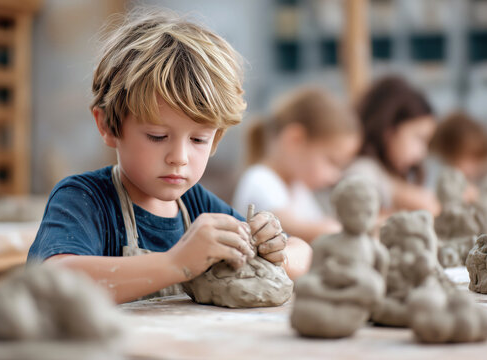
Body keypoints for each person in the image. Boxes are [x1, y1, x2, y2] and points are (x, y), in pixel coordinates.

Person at [27, 10, 312, 304]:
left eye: (199, 139)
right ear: (108, 126)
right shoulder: (85, 200)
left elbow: (304, 252)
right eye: (157, 136)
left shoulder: (198, 206)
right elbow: (54, 281)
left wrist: (273, 252)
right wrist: (176, 264)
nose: (179, 157)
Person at [232, 87, 361, 243]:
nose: (335, 176)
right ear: (295, 140)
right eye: (331, 161)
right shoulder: (260, 179)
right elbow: (291, 228)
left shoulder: (298, 188)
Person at [344, 76, 439, 217]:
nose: (422, 152)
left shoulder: (395, 175)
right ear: (388, 130)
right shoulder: (362, 171)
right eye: (419, 138)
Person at [427, 111, 487, 202]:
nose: (474, 168)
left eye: (478, 161)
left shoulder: (467, 180)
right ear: (451, 152)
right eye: (472, 159)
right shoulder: (435, 173)